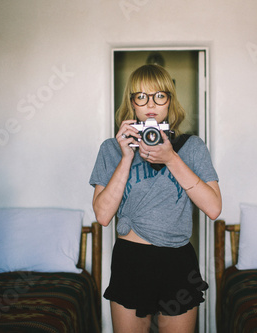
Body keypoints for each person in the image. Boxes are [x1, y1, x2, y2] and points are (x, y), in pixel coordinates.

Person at [89, 64, 221, 333]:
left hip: (177, 261)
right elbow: (102, 216)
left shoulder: (191, 147)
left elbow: (214, 208)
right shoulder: (111, 149)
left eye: (159, 95)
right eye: (141, 96)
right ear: (132, 103)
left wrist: (171, 158)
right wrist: (126, 157)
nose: (150, 103)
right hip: (130, 260)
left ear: (170, 100)